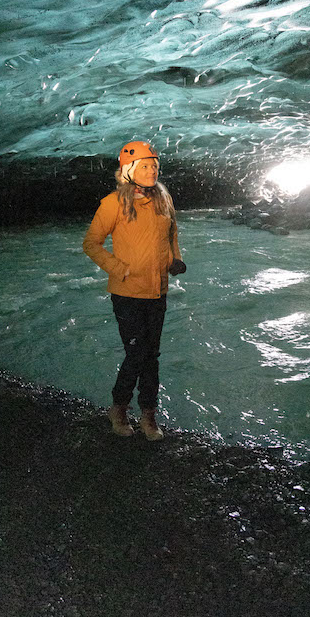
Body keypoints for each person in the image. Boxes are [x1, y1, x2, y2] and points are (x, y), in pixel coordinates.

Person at [83, 141, 186, 440]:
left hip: (157, 291)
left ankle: (148, 415)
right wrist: (119, 268)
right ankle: (118, 408)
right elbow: (91, 243)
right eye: (145, 166)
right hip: (127, 293)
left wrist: (175, 260)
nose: (152, 170)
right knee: (137, 353)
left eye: (154, 165)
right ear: (129, 170)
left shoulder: (163, 199)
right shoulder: (112, 203)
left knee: (151, 355)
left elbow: (172, 234)